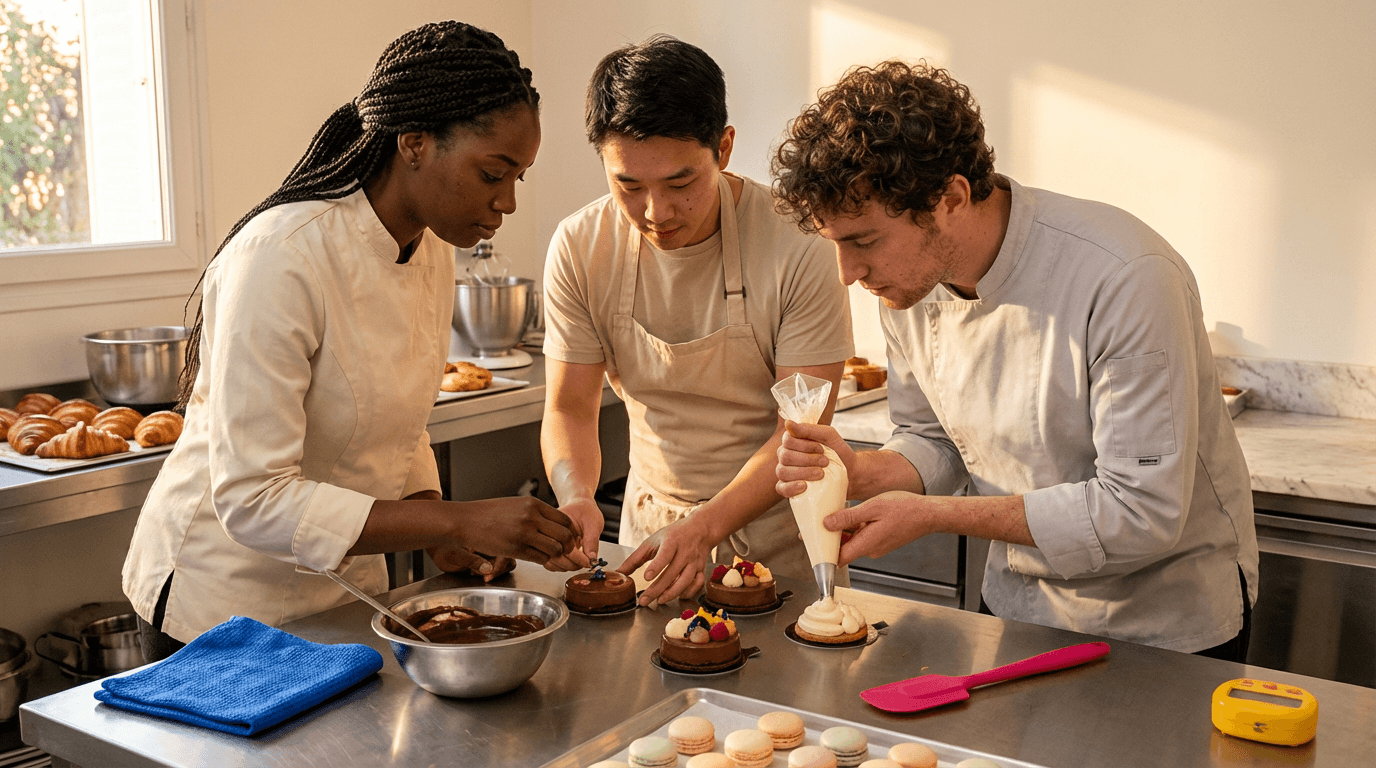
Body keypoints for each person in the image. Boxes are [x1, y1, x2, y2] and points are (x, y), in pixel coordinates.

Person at [122, 21, 577, 661]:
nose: (504, 201)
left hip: (344, 596)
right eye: (491, 172)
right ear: (414, 143)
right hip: (221, 609)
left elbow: (400, 424)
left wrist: (440, 529)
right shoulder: (282, 255)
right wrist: (456, 519)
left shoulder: (431, 249)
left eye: (518, 179)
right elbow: (252, 500)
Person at [771, 61, 1258, 658]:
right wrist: (869, 474)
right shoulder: (908, 287)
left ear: (950, 197)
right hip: (1019, 606)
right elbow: (935, 439)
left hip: (1160, 623)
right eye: (835, 244)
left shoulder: (1124, 275)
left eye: (863, 241)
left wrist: (931, 515)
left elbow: (1141, 510)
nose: (847, 274)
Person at [540, 36, 854, 605]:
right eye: (628, 186)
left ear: (724, 148)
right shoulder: (581, 246)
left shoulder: (799, 242)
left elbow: (799, 433)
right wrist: (574, 495)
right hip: (651, 536)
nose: (655, 213)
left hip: (780, 539)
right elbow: (569, 406)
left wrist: (707, 526)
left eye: (681, 183)